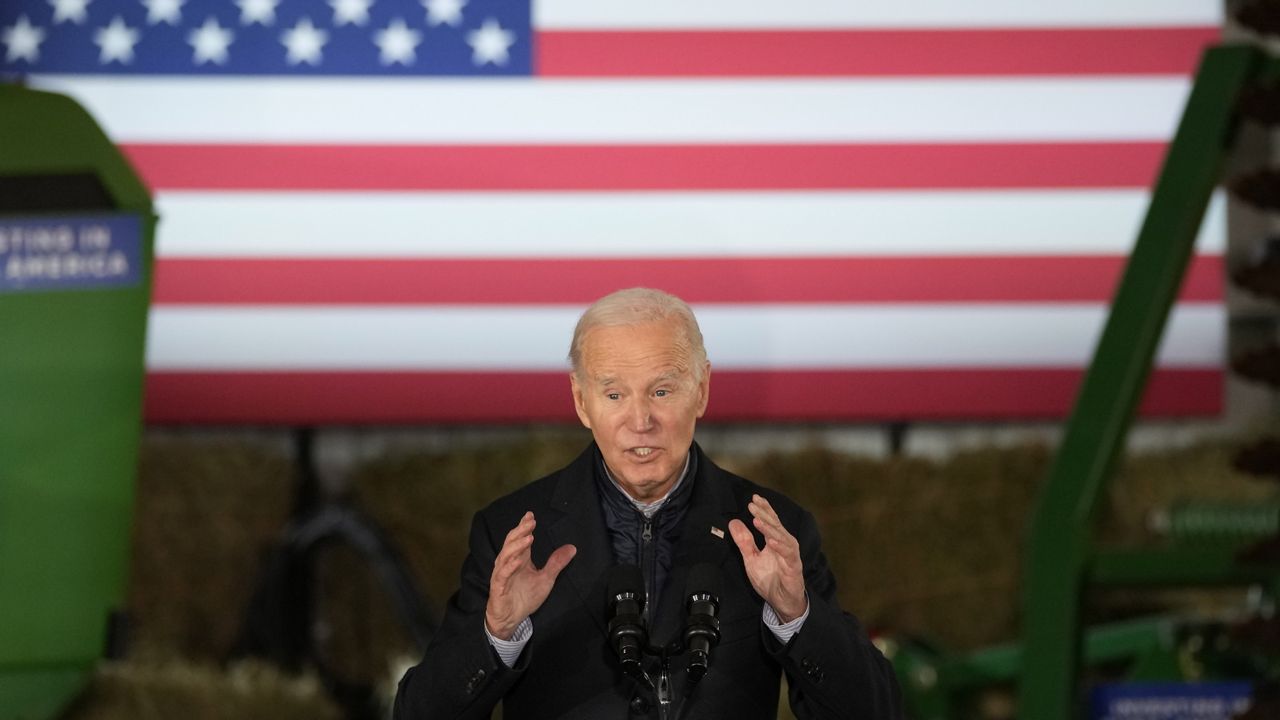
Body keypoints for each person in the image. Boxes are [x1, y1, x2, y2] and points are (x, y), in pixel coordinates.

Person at [394, 288, 902, 719]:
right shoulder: (512, 533)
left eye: (662, 390)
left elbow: (877, 709)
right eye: (614, 395)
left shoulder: (773, 530)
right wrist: (496, 634)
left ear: (701, 389)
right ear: (580, 401)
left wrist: (798, 616)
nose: (641, 420)